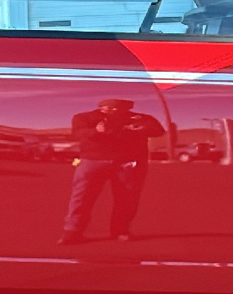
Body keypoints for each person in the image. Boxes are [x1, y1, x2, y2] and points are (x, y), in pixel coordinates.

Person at [59, 99, 165, 243]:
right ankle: (72, 232)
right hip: (93, 161)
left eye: (117, 108)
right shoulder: (85, 117)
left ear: (127, 109)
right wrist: (95, 130)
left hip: (128, 162)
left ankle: (120, 231)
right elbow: (77, 133)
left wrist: (140, 128)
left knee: (127, 198)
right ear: (101, 107)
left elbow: (158, 130)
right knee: (82, 196)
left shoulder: (141, 118)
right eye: (108, 108)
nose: (112, 111)